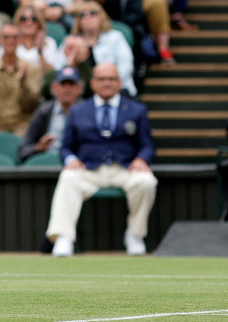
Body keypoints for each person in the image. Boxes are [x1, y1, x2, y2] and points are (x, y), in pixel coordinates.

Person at [46, 63, 158, 257]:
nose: (107, 83)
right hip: (89, 169)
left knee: (146, 182)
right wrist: (71, 159)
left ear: (119, 82)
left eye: (111, 79)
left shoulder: (136, 110)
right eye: (102, 79)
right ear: (92, 83)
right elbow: (66, 147)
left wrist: (141, 159)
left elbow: (147, 145)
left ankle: (135, 234)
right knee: (68, 177)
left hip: (124, 169)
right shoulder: (78, 111)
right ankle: (64, 237)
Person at [0, 23, 42, 135]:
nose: (10, 41)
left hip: (21, 126)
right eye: (6, 37)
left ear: (20, 40)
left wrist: (23, 82)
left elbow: (33, 105)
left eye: (14, 37)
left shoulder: (31, 69)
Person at [19, 66, 84, 162]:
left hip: (78, 164)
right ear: (54, 88)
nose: (67, 89)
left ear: (80, 88)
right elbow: (23, 149)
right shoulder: (44, 111)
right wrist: (38, 147)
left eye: (71, 84)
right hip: (47, 164)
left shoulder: (87, 112)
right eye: (63, 84)